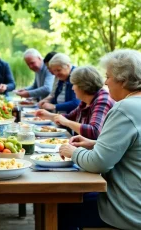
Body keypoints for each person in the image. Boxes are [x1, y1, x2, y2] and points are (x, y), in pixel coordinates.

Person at [59, 49, 141, 230]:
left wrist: (73, 152)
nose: (105, 82)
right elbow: (135, 147)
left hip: (128, 211)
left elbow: (98, 163)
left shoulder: (124, 108)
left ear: (124, 80)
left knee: (63, 205)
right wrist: (95, 143)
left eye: (108, 76)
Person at [36, 66, 115, 139]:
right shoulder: (86, 101)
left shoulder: (102, 100)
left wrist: (66, 122)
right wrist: (49, 115)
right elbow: (69, 117)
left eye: (74, 84)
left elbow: (94, 131)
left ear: (83, 86)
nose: (73, 88)